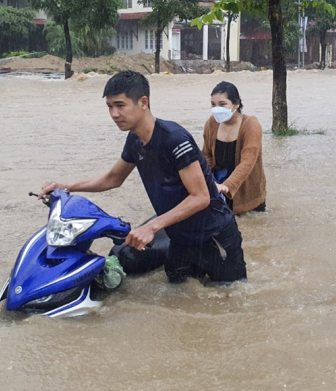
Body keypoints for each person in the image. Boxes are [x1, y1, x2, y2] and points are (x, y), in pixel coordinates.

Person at [38, 71, 246, 284]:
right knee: (178, 298)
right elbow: (113, 179)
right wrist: (66, 187)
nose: (114, 113)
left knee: (232, 297)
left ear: (143, 102)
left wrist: (152, 226)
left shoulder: (174, 139)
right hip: (181, 239)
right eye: (109, 106)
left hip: (214, 235)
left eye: (120, 105)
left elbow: (200, 197)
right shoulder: (134, 140)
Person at [202, 81, 267, 215]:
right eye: (213, 104)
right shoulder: (211, 123)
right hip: (218, 187)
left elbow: (247, 162)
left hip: (246, 193)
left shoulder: (250, 125)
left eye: (222, 104)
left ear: (236, 105)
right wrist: (203, 180)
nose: (216, 109)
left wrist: (227, 186)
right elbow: (206, 155)